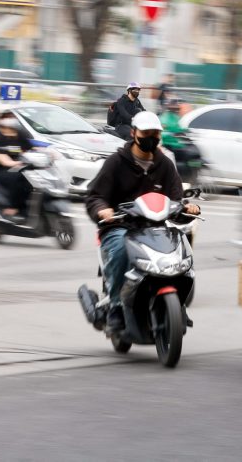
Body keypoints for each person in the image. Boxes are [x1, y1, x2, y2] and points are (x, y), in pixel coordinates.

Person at [85, 111, 200, 334]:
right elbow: (95, 196)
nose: (151, 138)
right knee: (120, 248)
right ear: (133, 133)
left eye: (155, 134)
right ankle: (116, 306)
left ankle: (179, 304)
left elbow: (176, 200)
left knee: (180, 247)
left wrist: (187, 209)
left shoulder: (165, 164)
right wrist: (102, 209)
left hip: (155, 228)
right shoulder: (116, 162)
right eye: (146, 133)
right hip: (120, 227)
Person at [0, 110, 34, 220]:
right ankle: (14, 207)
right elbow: (1, 157)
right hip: (4, 170)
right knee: (19, 178)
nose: (10, 120)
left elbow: (30, 149)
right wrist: (15, 163)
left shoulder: (20, 134)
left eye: (12, 117)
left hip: (21, 167)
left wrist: (49, 152)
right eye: (7, 117)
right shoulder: (0, 136)